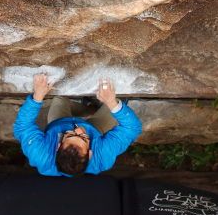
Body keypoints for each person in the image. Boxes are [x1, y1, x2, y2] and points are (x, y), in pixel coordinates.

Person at [13, 72, 142, 177]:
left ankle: (89, 107)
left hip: (59, 122)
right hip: (96, 128)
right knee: (116, 103)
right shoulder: (102, 156)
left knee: (60, 98)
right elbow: (132, 128)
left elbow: (22, 127)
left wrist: (37, 96)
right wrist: (112, 103)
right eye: (84, 139)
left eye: (70, 135)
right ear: (90, 154)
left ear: (58, 146)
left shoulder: (40, 154)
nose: (79, 130)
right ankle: (98, 105)